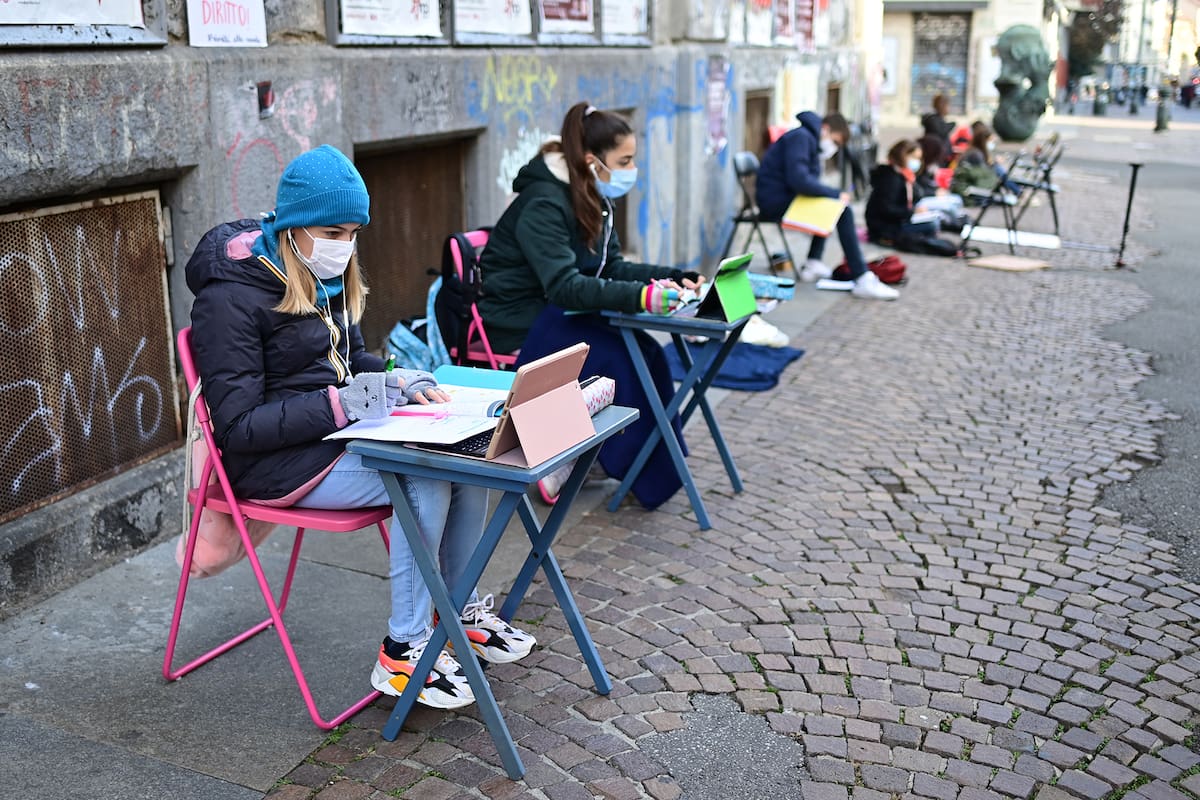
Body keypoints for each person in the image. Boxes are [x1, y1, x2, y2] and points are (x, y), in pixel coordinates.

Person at [185, 145, 535, 712]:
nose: (344, 244)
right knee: (422, 479)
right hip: (271, 463)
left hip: (325, 439)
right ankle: (404, 649)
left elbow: (348, 363)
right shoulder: (230, 297)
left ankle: (457, 611)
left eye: (352, 232)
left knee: (469, 459)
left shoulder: (320, 275)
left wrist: (396, 378)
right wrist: (341, 404)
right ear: (295, 226)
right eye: (332, 230)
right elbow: (238, 429)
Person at [476, 101, 705, 509]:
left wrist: (673, 276)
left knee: (648, 352)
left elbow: (610, 266)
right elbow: (565, 285)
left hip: (562, 311)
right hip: (519, 319)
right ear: (591, 160)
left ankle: (627, 464)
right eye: (626, 160)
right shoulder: (544, 203)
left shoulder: (591, 195)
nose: (631, 170)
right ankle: (573, 458)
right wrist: (640, 296)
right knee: (620, 358)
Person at [755, 110, 898, 300]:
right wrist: (835, 194)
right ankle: (861, 276)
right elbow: (800, 180)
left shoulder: (808, 139)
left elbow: (804, 181)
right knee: (841, 210)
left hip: (783, 197)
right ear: (825, 129)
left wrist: (832, 196)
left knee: (833, 206)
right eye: (836, 142)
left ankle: (814, 262)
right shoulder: (802, 138)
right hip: (775, 202)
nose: (834, 148)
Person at [864, 139, 942, 246]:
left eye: (918, 158)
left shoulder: (904, 175)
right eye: (914, 158)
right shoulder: (891, 178)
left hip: (897, 220)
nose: (917, 162)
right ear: (902, 156)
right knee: (932, 225)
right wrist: (912, 212)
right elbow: (887, 209)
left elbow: (917, 195)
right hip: (885, 227)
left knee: (935, 220)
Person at [914, 135, 967, 231]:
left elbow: (924, 184)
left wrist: (936, 190)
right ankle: (956, 224)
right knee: (948, 207)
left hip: (923, 196)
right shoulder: (917, 166)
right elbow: (917, 189)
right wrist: (934, 192)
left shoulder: (926, 165)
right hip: (920, 199)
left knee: (956, 199)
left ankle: (958, 221)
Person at [920, 94, 955, 164]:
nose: (950, 108)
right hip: (935, 159)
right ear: (942, 106)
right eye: (948, 105)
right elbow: (941, 133)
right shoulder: (932, 120)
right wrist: (952, 124)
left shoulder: (940, 120)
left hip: (942, 157)